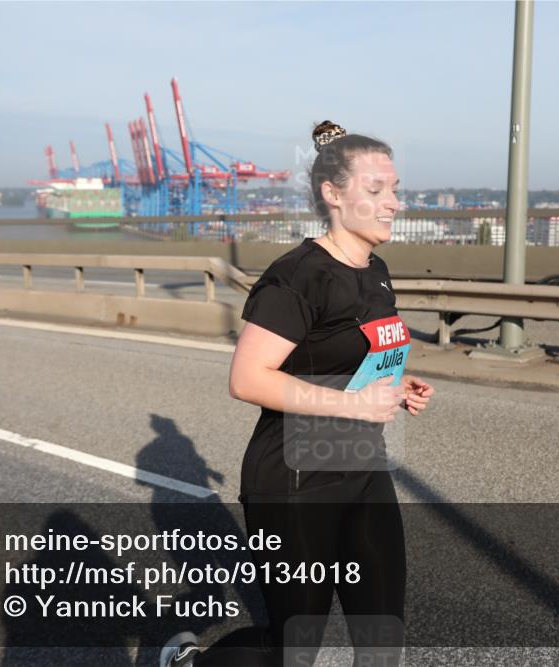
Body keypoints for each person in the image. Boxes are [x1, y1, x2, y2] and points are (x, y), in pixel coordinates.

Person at [160, 120, 435, 667]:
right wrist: (355, 403)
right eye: (377, 191)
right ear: (332, 195)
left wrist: (392, 384)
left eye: (396, 189)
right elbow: (248, 379)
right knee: (292, 651)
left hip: (362, 468)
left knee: (383, 648)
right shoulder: (297, 277)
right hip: (294, 481)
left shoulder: (376, 271)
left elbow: (345, 358)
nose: (394, 204)